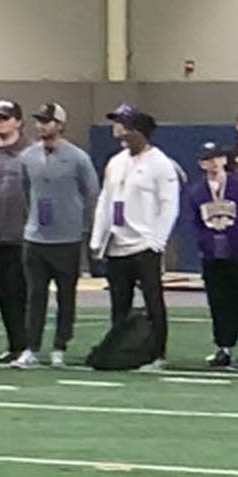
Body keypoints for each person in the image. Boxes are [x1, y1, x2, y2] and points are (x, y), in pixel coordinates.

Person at [89, 112, 179, 370]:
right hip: (116, 243)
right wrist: (98, 238)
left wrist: (156, 241)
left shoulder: (160, 163)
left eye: (124, 126)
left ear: (139, 132)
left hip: (144, 245)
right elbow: (105, 201)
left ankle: (157, 354)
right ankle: (120, 350)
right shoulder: (116, 162)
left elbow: (169, 204)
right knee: (119, 303)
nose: (118, 131)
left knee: (153, 301)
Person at [11, 103, 99, 369]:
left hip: (67, 239)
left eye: (47, 121)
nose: (42, 126)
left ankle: (60, 345)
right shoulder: (28, 157)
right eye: (39, 121)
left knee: (65, 295)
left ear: (60, 125)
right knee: (35, 294)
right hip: (36, 238)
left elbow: (91, 192)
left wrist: (83, 227)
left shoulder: (78, 158)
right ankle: (31, 347)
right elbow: (26, 191)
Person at [187, 142, 238, 368]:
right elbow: (196, 222)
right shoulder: (198, 191)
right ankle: (222, 346)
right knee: (218, 300)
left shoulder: (237, 187)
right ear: (201, 163)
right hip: (212, 254)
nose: (213, 163)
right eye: (208, 159)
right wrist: (205, 245)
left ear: (224, 160)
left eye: (217, 158)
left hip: (237, 252)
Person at [0, 100, 30, 363]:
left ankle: (27, 345)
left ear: (18, 121)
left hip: (22, 236)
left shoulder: (30, 153)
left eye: (6, 117)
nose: (0, 121)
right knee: (3, 294)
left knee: (22, 292)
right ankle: (14, 344)